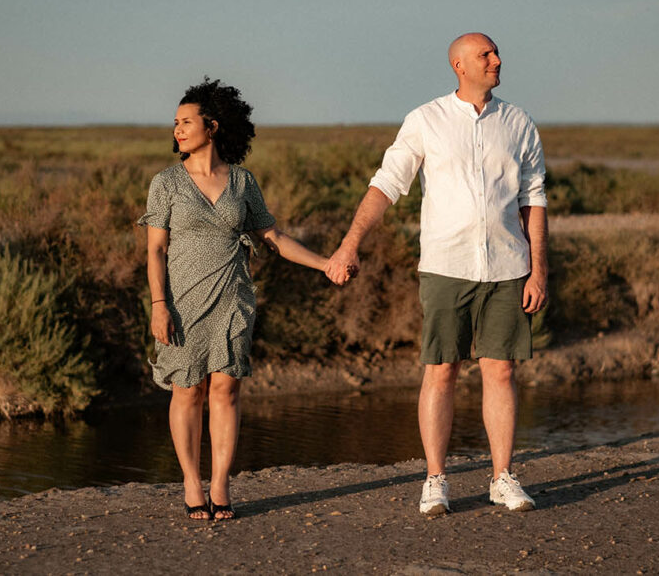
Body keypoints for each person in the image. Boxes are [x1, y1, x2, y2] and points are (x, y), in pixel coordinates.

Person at [325, 33, 548, 516]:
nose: (497, 60)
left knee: (501, 370)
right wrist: (350, 243)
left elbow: (534, 199)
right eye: (485, 55)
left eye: (496, 53)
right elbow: (387, 184)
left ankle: (502, 477)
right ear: (458, 65)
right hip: (447, 266)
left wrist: (538, 270)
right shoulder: (426, 119)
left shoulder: (518, 122)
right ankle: (435, 479)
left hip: (508, 265)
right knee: (441, 369)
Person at [139, 78, 330, 521]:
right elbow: (155, 250)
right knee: (187, 390)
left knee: (225, 389)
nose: (177, 129)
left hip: (233, 297)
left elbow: (272, 236)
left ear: (213, 126)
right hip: (182, 301)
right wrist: (158, 305)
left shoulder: (242, 181)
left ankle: (221, 482)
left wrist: (324, 263)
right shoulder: (166, 183)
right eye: (175, 123)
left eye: (186, 122)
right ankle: (191, 481)